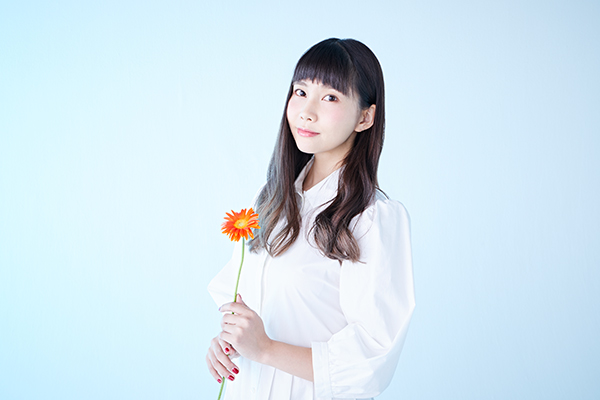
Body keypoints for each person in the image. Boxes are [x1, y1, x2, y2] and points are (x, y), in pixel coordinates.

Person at [206, 38, 415, 400]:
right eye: (300, 92)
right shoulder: (271, 199)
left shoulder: (371, 218)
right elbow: (249, 303)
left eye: (330, 97)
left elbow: (370, 359)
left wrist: (266, 349)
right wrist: (230, 343)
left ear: (365, 117)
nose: (306, 111)